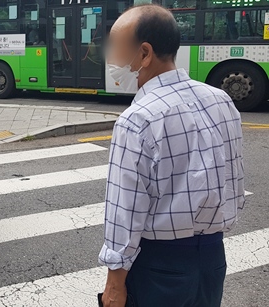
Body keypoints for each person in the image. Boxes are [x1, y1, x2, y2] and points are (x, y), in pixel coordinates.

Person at [98, 4, 244, 307]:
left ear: (145, 53)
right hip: (213, 259)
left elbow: (125, 212)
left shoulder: (138, 119)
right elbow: (234, 181)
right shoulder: (220, 100)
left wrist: (114, 285)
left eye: (115, 48)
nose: (110, 59)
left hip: (159, 266)